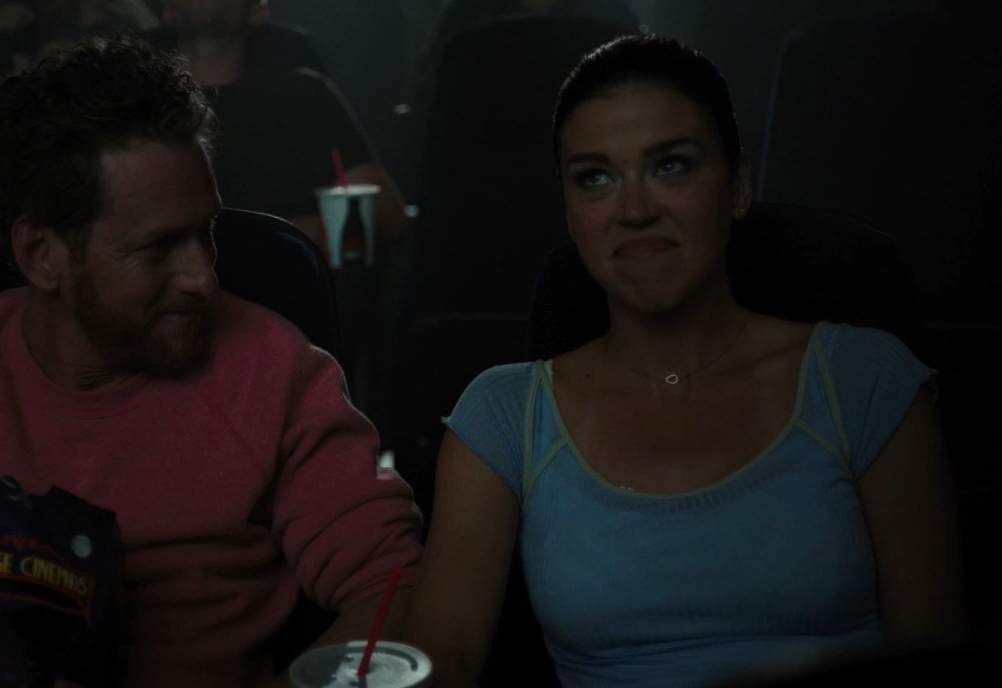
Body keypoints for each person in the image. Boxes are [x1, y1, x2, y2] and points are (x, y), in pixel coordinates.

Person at [0, 36, 422, 688]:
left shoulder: (277, 371)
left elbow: (395, 589)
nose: (202, 278)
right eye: (157, 248)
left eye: (205, 233)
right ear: (42, 255)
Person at [401, 35, 967, 687]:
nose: (635, 210)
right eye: (595, 177)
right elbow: (442, 660)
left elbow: (932, 649)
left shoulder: (862, 380)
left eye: (670, 166)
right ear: (569, 210)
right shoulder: (504, 416)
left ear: (737, 185)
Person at [147, 0, 409, 256]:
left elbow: (384, 214)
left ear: (258, 10)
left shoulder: (305, 96)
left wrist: (294, 235)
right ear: (169, 10)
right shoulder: (143, 105)